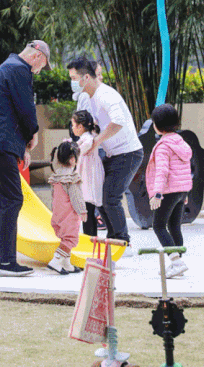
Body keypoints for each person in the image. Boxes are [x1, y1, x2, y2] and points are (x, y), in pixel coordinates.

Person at [0, 40, 49, 276]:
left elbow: (11, 109)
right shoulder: (19, 69)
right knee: (12, 199)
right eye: (42, 66)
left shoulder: (7, 66)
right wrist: (33, 134)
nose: (38, 71)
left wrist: (22, 146)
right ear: (37, 56)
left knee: (1, 201)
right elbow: (25, 108)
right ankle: (6, 261)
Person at [67, 56, 144, 243]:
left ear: (86, 78)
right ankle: (113, 239)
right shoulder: (87, 97)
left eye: (74, 78)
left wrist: (97, 141)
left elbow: (118, 122)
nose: (72, 82)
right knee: (100, 199)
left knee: (110, 197)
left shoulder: (106, 95)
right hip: (112, 153)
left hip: (128, 153)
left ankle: (122, 240)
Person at [144, 104, 193, 278]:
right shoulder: (181, 142)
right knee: (174, 226)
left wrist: (157, 193)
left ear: (157, 125)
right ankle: (177, 262)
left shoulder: (164, 146)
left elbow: (162, 172)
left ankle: (176, 262)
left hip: (167, 192)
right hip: (180, 191)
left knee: (158, 226)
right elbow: (186, 170)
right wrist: (185, 193)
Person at [47, 140, 87, 275]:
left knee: (66, 239)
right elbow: (76, 196)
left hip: (58, 215)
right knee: (70, 239)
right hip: (69, 215)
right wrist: (82, 210)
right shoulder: (71, 178)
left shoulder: (56, 177)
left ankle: (66, 263)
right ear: (72, 159)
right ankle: (56, 260)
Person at [70, 109, 104, 237]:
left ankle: (90, 239)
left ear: (80, 126)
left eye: (73, 125)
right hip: (88, 174)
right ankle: (90, 238)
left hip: (88, 176)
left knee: (87, 209)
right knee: (87, 209)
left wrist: (74, 150)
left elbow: (84, 146)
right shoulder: (86, 137)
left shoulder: (88, 138)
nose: (72, 128)